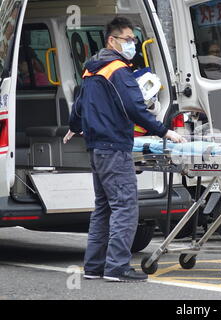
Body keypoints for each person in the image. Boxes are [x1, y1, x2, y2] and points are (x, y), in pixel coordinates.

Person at [64, 17, 185, 283]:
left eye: (133, 39)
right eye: (128, 39)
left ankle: (94, 267)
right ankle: (117, 268)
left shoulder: (92, 69)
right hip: (114, 147)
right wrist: (164, 130)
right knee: (125, 207)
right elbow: (135, 108)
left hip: (96, 148)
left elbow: (79, 104)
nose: (132, 44)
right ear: (112, 40)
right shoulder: (118, 70)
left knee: (103, 208)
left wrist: (74, 126)